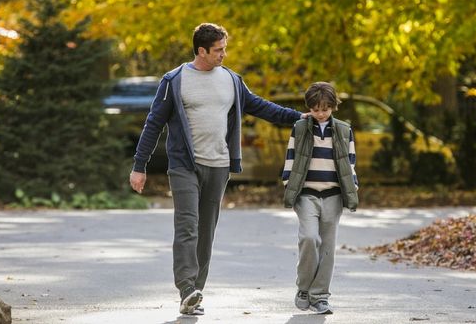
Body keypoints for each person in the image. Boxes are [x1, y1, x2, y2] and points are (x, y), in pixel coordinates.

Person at [129, 23, 305, 316]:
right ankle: (186, 289)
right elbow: (153, 124)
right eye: (219, 50)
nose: (224, 54)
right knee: (187, 226)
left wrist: (299, 117)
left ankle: (196, 293)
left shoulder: (232, 80)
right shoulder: (174, 80)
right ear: (202, 51)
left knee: (206, 230)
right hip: (185, 164)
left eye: (225, 48)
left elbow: (260, 107)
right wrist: (139, 165)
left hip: (219, 165)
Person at [281, 81, 359, 315]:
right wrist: (289, 184)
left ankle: (320, 296)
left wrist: (352, 188)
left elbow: (350, 164)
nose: (320, 113)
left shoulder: (345, 130)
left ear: (333, 107)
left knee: (327, 247)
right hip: (306, 195)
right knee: (308, 238)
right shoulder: (300, 128)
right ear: (310, 108)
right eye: (315, 109)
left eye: (325, 109)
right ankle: (304, 288)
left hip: (333, 195)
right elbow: (291, 159)